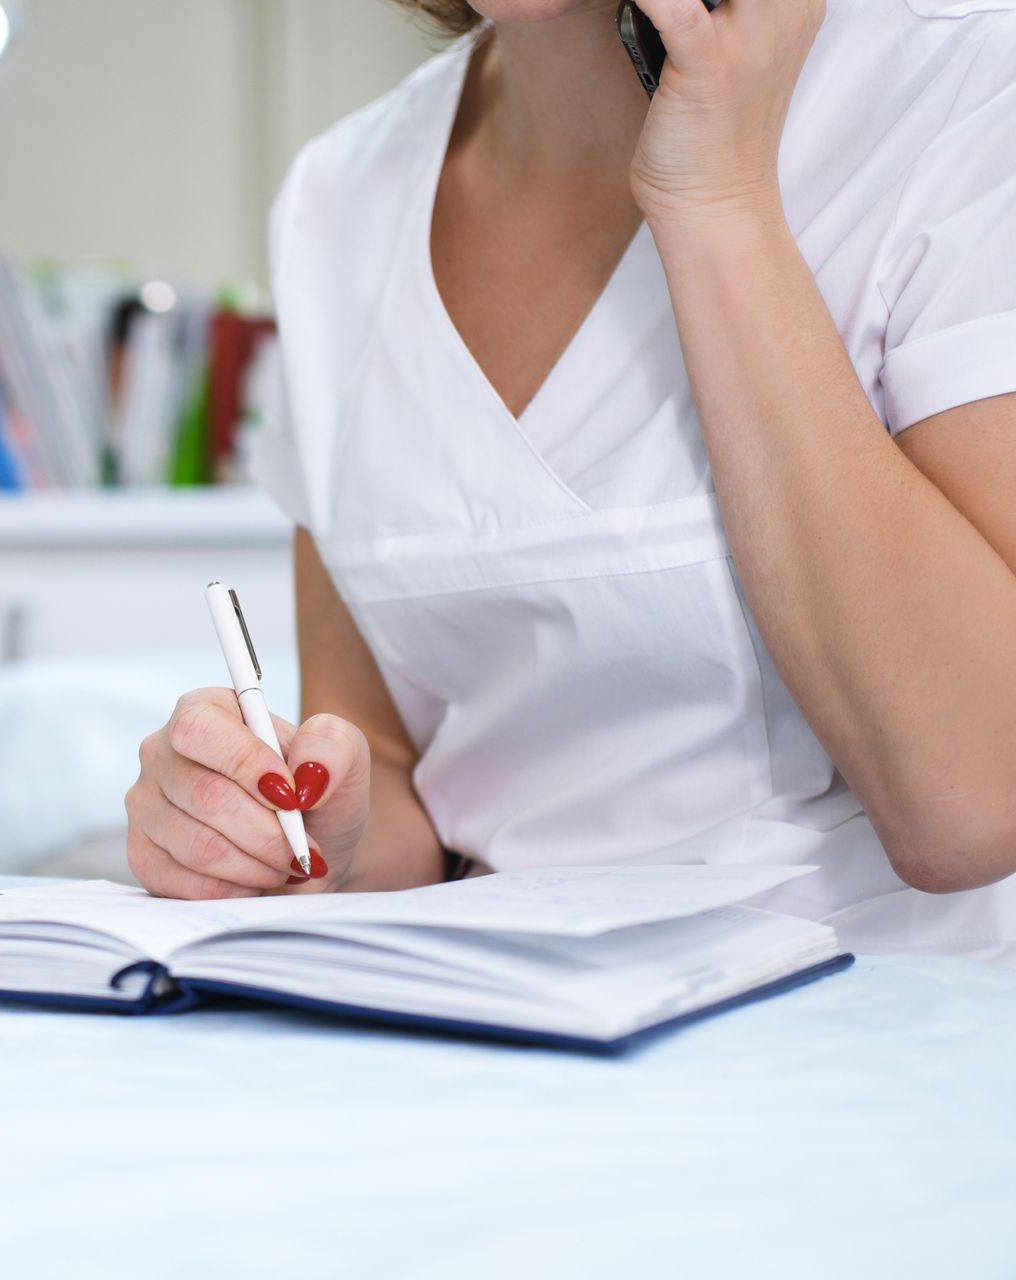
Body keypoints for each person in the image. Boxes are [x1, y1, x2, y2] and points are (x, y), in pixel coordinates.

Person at [124, 0, 1016, 962]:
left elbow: (969, 807)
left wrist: (720, 204)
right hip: (491, 1030)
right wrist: (284, 835)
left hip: (866, 1049)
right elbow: (390, 775)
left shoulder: (960, 86)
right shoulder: (337, 198)